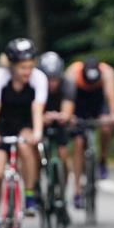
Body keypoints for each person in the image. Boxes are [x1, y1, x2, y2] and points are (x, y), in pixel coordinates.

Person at [0, 38, 47, 228]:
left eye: (30, 66)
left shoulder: (39, 78)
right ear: (12, 66)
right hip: (1, 127)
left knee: (26, 147)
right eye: (22, 67)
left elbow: (37, 109)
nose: (27, 71)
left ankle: (29, 195)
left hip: (24, 125)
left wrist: (37, 132)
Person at [66, 55, 114, 208]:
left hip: (98, 102)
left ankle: (102, 160)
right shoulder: (73, 72)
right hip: (78, 103)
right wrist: (68, 116)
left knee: (106, 128)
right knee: (78, 142)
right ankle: (77, 190)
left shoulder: (107, 72)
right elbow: (67, 97)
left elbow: (111, 95)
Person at [39, 51, 75, 194]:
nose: (51, 83)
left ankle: (62, 189)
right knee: (36, 153)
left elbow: (67, 110)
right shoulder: (36, 85)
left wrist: (63, 116)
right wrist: (42, 118)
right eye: (48, 79)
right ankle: (35, 187)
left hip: (59, 124)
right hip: (40, 123)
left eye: (55, 79)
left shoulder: (67, 84)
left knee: (63, 155)